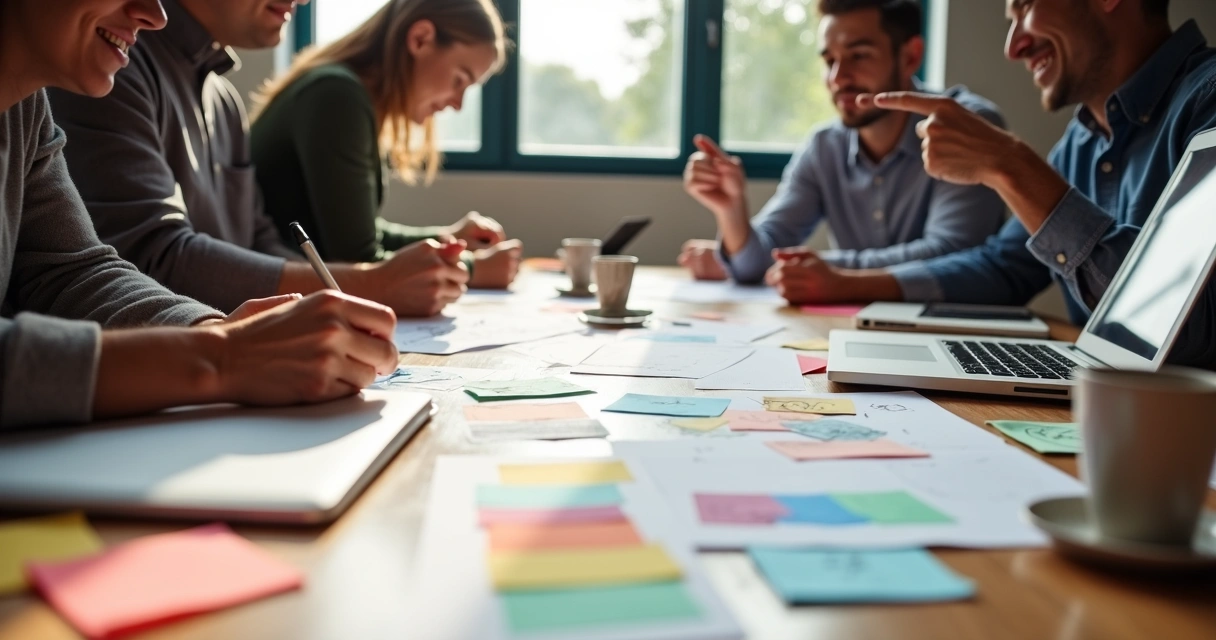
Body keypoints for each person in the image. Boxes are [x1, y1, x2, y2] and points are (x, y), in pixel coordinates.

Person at [0, 0, 399, 428]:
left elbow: (71, 271)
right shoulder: (108, 72)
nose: (155, 15)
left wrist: (212, 331)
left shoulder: (27, 106)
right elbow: (156, 250)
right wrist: (221, 358)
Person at [767, 0, 1216, 367]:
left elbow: (1183, 326)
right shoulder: (1079, 144)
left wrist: (1012, 165)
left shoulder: (1207, 104)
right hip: (1113, 403)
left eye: (1026, 6)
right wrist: (847, 283)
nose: (1014, 46)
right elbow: (1004, 268)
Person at [45, 0, 468, 317]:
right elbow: (153, 256)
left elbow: (259, 237)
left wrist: (323, 301)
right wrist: (368, 286)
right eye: (461, 78)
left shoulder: (225, 101)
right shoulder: (114, 68)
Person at [678, 0, 1006, 284]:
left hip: (953, 327)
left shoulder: (964, 125)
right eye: (829, 60)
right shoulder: (824, 147)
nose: (837, 78)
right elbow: (754, 263)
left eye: (858, 56)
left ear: (910, 56)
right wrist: (731, 210)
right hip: (851, 326)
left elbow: (952, 255)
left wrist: (817, 268)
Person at [249, 0, 521, 290]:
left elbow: (361, 235)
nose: (458, 104)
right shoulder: (337, 97)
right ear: (420, 39)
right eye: (459, 80)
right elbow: (358, 257)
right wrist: (472, 268)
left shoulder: (343, 93)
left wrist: (448, 239)